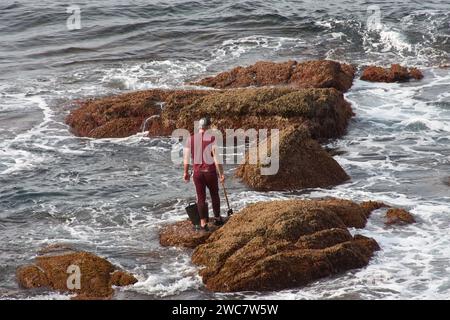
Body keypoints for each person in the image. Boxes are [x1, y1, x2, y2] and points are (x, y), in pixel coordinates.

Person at [183, 117, 225, 231]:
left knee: (200, 198)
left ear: (199, 127)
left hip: (197, 174)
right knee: (214, 195)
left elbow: (186, 159)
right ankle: (217, 218)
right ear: (208, 127)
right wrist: (221, 174)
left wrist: (185, 172)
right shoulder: (212, 139)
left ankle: (203, 223)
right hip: (210, 173)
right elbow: (216, 158)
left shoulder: (190, 139)